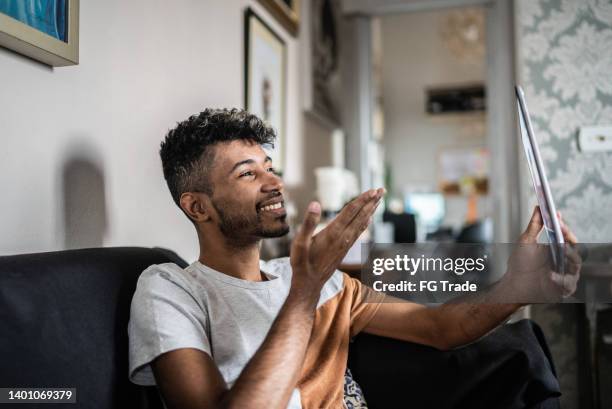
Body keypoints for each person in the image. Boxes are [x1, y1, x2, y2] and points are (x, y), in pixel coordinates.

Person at [128, 108, 580, 409]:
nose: (275, 182)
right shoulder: (170, 288)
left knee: (521, 346)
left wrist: (520, 285)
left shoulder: (308, 276)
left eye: (270, 167)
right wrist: (303, 293)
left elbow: (443, 328)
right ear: (197, 206)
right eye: (248, 173)